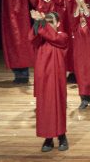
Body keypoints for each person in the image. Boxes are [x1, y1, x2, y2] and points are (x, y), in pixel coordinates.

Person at [29, 10, 69, 152]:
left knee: (58, 105)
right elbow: (32, 37)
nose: (48, 25)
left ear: (58, 24)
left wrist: (42, 23)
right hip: (43, 77)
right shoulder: (41, 38)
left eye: (51, 22)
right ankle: (48, 138)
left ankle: (62, 136)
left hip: (57, 78)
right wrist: (37, 23)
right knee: (45, 106)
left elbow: (53, 37)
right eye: (46, 22)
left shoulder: (62, 36)